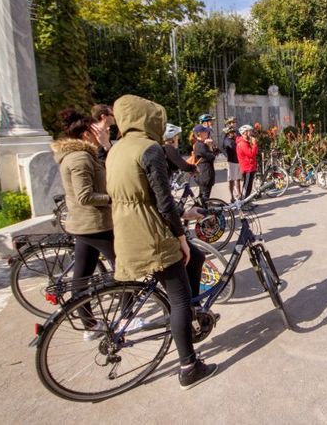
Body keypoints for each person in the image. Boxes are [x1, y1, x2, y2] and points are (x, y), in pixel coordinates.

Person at [106, 94, 217, 390]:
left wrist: (183, 213)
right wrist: (181, 237)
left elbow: (141, 196)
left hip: (126, 230)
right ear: (147, 118)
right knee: (179, 299)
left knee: (197, 259)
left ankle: (193, 313)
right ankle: (189, 366)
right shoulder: (150, 148)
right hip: (151, 233)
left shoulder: (116, 149)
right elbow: (163, 201)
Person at [52, 108, 115, 341]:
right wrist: (113, 198)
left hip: (86, 224)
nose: (102, 131)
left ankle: (90, 325)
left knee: (81, 277)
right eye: (96, 129)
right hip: (95, 224)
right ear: (87, 133)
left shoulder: (82, 155)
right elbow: (85, 196)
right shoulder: (79, 158)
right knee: (124, 270)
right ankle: (127, 318)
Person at [192, 125, 218, 202]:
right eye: (205, 131)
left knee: (202, 197)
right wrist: (209, 146)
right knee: (205, 198)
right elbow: (212, 157)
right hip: (205, 175)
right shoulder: (201, 145)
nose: (207, 132)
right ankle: (203, 209)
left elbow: (215, 153)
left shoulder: (200, 144)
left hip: (203, 174)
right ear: (199, 134)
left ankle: (200, 208)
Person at [236, 124, 258, 206]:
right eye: (249, 131)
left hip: (250, 166)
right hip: (247, 167)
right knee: (246, 186)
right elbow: (251, 154)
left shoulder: (246, 142)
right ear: (245, 132)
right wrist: (254, 144)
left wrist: (254, 145)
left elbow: (255, 153)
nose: (251, 133)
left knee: (249, 186)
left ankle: (247, 201)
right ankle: (243, 203)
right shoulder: (242, 143)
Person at [222, 126, 241, 202]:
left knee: (237, 179)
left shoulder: (231, 140)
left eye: (234, 132)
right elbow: (234, 148)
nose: (234, 133)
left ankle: (239, 194)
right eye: (232, 132)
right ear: (228, 133)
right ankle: (232, 196)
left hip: (236, 161)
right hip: (232, 162)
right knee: (232, 179)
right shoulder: (228, 141)